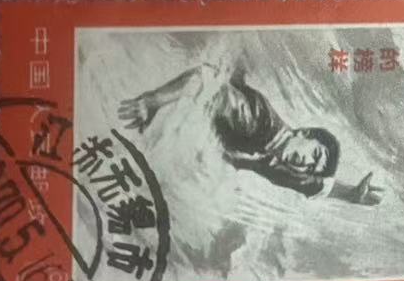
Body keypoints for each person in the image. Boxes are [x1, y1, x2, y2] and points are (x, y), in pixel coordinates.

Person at [118, 65, 383, 203]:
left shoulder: (288, 170)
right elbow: (204, 79)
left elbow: (318, 185)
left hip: (189, 135)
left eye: (312, 167)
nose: (306, 163)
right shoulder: (259, 122)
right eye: (314, 154)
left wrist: (352, 195)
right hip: (174, 102)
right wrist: (152, 101)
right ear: (304, 133)